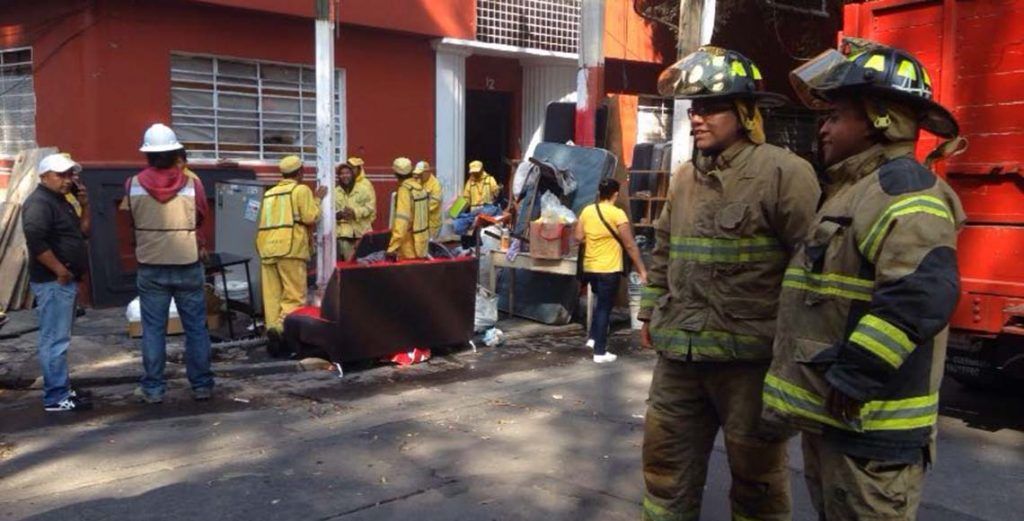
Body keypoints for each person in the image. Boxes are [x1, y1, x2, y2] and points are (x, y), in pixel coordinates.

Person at [764, 40, 965, 520]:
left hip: (873, 433)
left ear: (880, 118)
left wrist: (854, 377)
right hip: (841, 425)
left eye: (836, 115)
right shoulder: (854, 190)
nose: (824, 127)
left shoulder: (901, 189)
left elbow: (922, 294)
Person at [637, 46, 821, 521]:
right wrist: (648, 309)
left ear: (744, 112)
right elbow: (664, 249)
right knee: (663, 471)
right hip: (680, 357)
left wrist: (798, 353)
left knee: (757, 482)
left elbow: (814, 270)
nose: (697, 118)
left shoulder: (784, 174)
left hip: (750, 364)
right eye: (693, 108)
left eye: (710, 107)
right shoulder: (683, 178)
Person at [126, 123, 215, 403]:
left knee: (153, 330)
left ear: (148, 155)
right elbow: (201, 217)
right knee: (196, 328)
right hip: (187, 262)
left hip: (151, 263)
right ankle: (201, 385)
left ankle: (153, 389)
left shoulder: (132, 184)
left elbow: (131, 219)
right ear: (176, 151)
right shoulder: (193, 184)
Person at [22, 153, 93, 412]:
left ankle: (61, 387)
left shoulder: (62, 201)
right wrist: (60, 270)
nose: (67, 180)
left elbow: (83, 232)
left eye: (70, 175)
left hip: (64, 281)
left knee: (60, 337)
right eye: (61, 175)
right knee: (55, 340)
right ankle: (55, 397)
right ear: (44, 176)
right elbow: (36, 241)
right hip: (54, 282)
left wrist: (84, 205)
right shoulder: (39, 203)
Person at [256, 155, 327, 354]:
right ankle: (281, 330)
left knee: (272, 295)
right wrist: (318, 198)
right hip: (290, 248)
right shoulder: (300, 190)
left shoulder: (270, 193)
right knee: (294, 295)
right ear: (300, 172)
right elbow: (310, 216)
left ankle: (272, 330)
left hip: (267, 248)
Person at [575, 178, 647, 363]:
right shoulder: (618, 214)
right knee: (604, 309)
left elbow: (578, 236)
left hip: (590, 267)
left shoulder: (587, 211)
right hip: (609, 268)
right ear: (615, 193)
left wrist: (594, 241)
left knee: (600, 304)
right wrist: (642, 270)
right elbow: (630, 245)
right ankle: (600, 352)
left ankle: (592, 339)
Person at [387, 157, 429, 261]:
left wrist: (392, 247)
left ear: (396, 174)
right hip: (422, 244)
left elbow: (402, 221)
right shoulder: (419, 188)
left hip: (408, 247)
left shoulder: (404, 190)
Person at [334, 160, 376, 262]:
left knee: (364, 266)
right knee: (347, 264)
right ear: (338, 176)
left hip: (362, 235)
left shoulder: (364, 189)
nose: (345, 176)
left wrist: (355, 212)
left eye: (347, 173)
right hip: (344, 236)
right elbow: (330, 211)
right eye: (342, 174)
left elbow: (370, 207)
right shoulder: (335, 192)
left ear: (352, 174)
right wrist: (338, 214)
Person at [416, 160, 443, 238]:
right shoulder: (418, 181)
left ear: (427, 172)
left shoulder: (435, 185)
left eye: (421, 173)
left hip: (432, 224)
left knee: (429, 247)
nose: (419, 176)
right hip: (420, 223)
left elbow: (434, 203)